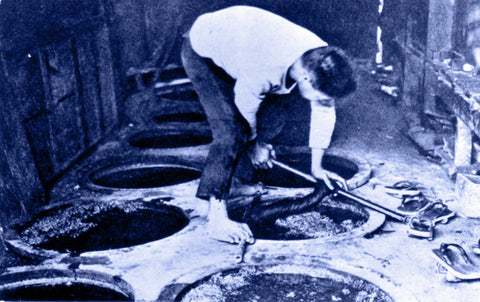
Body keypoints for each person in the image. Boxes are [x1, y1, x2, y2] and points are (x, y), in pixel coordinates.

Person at [181, 5, 357, 244]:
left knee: (274, 119)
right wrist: (255, 146)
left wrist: (317, 168)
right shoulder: (264, 67)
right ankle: (216, 217)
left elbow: (324, 111)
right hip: (202, 49)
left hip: (242, 45)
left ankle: (237, 182)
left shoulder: (321, 59)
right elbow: (244, 112)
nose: (326, 103)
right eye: (322, 96)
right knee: (232, 131)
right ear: (305, 78)